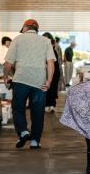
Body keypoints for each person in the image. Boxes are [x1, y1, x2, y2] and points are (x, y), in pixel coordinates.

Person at [3, 19, 55, 150]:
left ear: (25, 27)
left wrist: (5, 76)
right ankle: (35, 141)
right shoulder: (46, 41)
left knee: (18, 107)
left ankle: (23, 132)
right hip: (39, 81)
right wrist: (48, 81)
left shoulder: (17, 39)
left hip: (21, 79)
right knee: (38, 112)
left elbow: (8, 62)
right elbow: (50, 62)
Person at [42, 32, 62, 113]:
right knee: (47, 88)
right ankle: (47, 105)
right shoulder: (42, 49)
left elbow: (57, 63)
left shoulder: (53, 49)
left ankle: (52, 105)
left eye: (47, 38)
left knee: (53, 89)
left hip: (55, 72)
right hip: (46, 72)